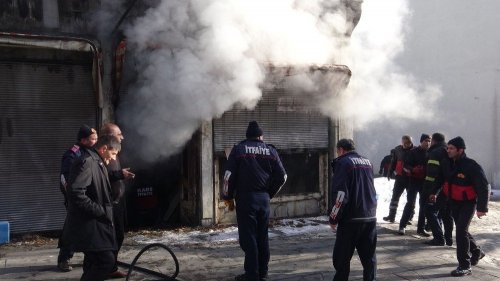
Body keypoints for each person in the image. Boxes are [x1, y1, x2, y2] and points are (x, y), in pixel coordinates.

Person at [222, 121, 287, 281]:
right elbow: (283, 177)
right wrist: (268, 193)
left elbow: (228, 177)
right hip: (263, 199)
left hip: (245, 199)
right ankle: (262, 273)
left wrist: (227, 197)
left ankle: (252, 274)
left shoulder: (238, 150)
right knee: (262, 236)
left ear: (247, 136)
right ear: (260, 136)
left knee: (248, 237)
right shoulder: (271, 151)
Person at [64, 135, 121, 281]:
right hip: (89, 225)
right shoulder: (87, 162)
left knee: (93, 263)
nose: (114, 159)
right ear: (104, 149)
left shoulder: (96, 161)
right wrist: (99, 210)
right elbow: (76, 192)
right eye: (113, 153)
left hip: (95, 224)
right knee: (105, 261)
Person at [329, 139, 377, 281]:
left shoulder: (343, 163)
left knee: (341, 259)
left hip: (350, 219)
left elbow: (341, 194)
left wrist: (333, 217)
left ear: (341, 149)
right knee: (369, 259)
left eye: (338, 151)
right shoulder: (367, 162)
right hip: (369, 216)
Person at [443, 137, 490, 277]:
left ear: (460, 150)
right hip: (454, 202)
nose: (448, 150)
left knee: (460, 232)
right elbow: (442, 181)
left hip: (468, 203)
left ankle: (464, 265)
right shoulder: (448, 163)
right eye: (448, 148)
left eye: (451, 148)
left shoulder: (471, 165)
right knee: (462, 230)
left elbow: (482, 187)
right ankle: (476, 251)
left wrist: (482, 208)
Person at [57, 124, 98, 272]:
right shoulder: (73, 154)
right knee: (73, 229)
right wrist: (72, 196)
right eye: (93, 138)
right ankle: (64, 259)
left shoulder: (91, 152)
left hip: (89, 199)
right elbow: (65, 178)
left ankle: (93, 257)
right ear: (84, 139)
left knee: (90, 228)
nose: (95, 141)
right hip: (76, 199)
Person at [100, 122, 134, 279]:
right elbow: (102, 176)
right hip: (108, 204)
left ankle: (110, 267)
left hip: (117, 201)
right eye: (119, 134)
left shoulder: (114, 152)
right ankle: (108, 268)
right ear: (109, 137)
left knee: (118, 236)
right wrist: (119, 175)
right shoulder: (101, 156)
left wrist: (121, 174)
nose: (122, 137)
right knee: (111, 238)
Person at [422, 133, 454, 246]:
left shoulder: (435, 152)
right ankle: (449, 239)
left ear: (434, 141)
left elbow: (432, 173)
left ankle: (439, 238)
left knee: (429, 210)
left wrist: (430, 190)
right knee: (447, 213)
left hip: (437, 188)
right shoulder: (449, 151)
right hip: (450, 188)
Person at [398, 134, 431, 236]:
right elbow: (405, 166)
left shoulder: (431, 153)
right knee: (410, 203)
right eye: (425, 140)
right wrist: (413, 169)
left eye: (429, 141)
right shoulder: (413, 152)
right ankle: (402, 226)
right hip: (413, 181)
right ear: (421, 142)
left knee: (423, 206)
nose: (428, 142)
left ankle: (420, 229)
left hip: (425, 182)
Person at [383, 135, 413, 222]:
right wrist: (390, 172)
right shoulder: (398, 149)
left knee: (410, 199)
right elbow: (394, 161)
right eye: (405, 143)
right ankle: (391, 216)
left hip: (410, 178)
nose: (407, 144)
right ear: (402, 142)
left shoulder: (415, 150)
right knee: (395, 197)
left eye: (409, 143)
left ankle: (409, 217)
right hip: (399, 178)